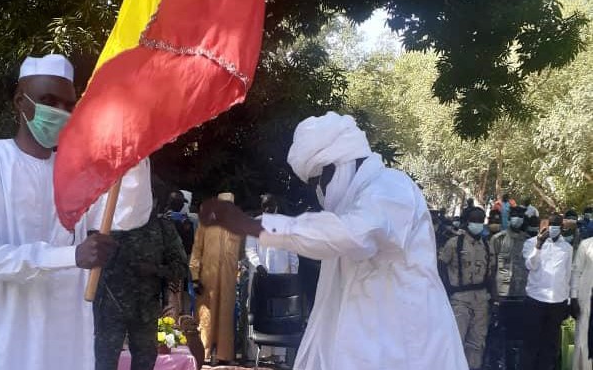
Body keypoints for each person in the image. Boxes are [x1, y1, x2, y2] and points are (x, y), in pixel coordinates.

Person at [0, 54, 152, 370]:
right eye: (49, 101)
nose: (60, 112)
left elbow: (129, 213)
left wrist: (134, 149)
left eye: (68, 105)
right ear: (21, 102)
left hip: (57, 343)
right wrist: (70, 257)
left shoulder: (77, 174)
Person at [199, 112, 467, 369]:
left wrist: (251, 225)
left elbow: (352, 235)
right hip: (358, 345)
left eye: (319, 180)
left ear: (340, 164)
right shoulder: (351, 208)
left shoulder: (390, 187)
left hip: (403, 346)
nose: (319, 191)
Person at [93, 202, 188, 370]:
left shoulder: (162, 227)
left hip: (145, 311)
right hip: (110, 307)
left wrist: (155, 269)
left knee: (144, 363)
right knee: (104, 363)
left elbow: (181, 268)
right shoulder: (108, 220)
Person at [245, 194, 299, 365]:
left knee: (281, 314)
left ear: (276, 205)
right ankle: (258, 355)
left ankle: (279, 356)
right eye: (265, 206)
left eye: (271, 205)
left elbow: (292, 251)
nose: (269, 208)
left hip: (282, 278)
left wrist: (293, 274)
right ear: (262, 207)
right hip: (261, 277)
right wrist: (258, 265)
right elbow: (250, 249)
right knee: (258, 310)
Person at [439, 207, 494, 370]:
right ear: (467, 222)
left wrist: (493, 297)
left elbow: (491, 272)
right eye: (474, 220)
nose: (478, 224)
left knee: (477, 342)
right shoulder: (454, 243)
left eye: (481, 220)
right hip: (459, 298)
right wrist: (447, 289)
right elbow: (441, 265)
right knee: (456, 340)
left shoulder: (486, 245)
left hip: (481, 299)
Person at [190, 192, 242, 365]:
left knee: (226, 316)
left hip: (228, 279)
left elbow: (241, 255)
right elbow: (197, 250)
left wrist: (238, 275)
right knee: (206, 315)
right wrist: (195, 277)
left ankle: (224, 355)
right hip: (207, 278)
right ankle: (203, 354)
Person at [520, 213, 573, 370]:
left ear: (562, 227)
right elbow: (530, 265)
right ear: (545, 225)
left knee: (550, 346)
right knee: (530, 344)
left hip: (557, 303)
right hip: (535, 300)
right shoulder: (530, 243)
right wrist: (539, 245)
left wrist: (568, 299)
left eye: (557, 224)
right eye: (551, 224)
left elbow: (567, 274)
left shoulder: (567, 248)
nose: (553, 227)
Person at [488, 205, 529, 369]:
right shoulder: (498, 239)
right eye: (514, 215)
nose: (517, 218)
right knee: (497, 334)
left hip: (520, 295)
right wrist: (493, 295)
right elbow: (491, 268)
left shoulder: (528, 240)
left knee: (516, 337)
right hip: (502, 295)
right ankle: (494, 364)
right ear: (509, 217)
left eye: (520, 216)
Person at [571, 236, 593, 369]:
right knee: (584, 339)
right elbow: (576, 272)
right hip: (587, 300)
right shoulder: (586, 245)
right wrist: (573, 297)